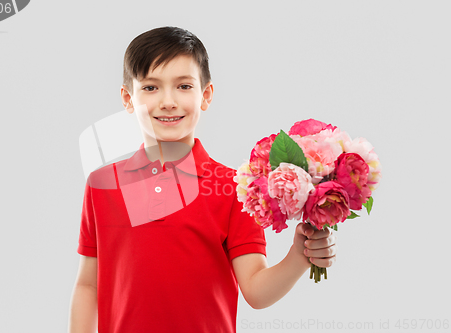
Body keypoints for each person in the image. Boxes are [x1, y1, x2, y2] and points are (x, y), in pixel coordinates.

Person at [68, 26, 337, 333]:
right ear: (128, 99)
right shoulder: (102, 186)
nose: (168, 101)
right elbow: (88, 285)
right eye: (151, 88)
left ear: (205, 94)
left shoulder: (236, 187)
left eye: (183, 86)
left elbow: (256, 290)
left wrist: (300, 254)